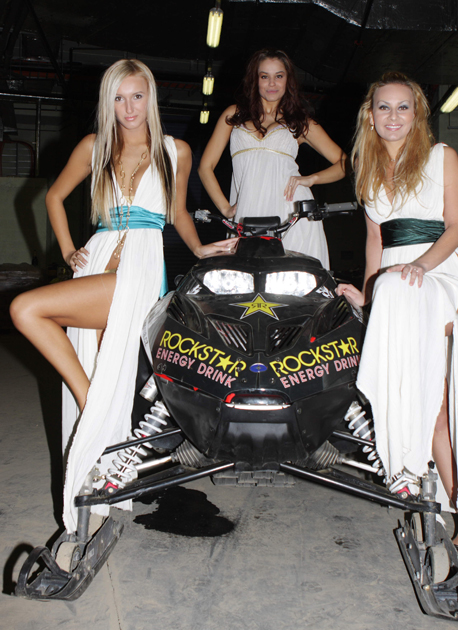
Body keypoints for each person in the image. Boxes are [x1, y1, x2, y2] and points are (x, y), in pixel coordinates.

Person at [10, 59, 232, 533]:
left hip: (141, 269)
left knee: (25, 308)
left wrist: (200, 249)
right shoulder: (94, 146)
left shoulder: (175, 150)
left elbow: (177, 212)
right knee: (77, 351)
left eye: (137, 96)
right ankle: (96, 440)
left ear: (150, 98)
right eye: (118, 98)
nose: (129, 108)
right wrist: (68, 250)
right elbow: (53, 197)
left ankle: (93, 409)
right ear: (107, 102)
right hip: (97, 257)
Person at [336, 72, 458, 521]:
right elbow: (375, 240)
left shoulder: (441, 157)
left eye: (403, 107)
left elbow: (456, 227)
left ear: (417, 113)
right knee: (420, 400)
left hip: (439, 273)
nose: (393, 116)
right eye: (384, 107)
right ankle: (426, 488)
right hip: (392, 289)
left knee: (442, 403)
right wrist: (369, 297)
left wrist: (421, 266)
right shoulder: (365, 168)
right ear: (370, 116)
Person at [198, 49, 347, 269]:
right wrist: (226, 209)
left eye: (279, 76)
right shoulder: (234, 115)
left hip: (291, 215)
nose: (272, 83)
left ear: (288, 80)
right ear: (255, 80)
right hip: (248, 215)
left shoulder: (300, 122)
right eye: (264, 76)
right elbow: (205, 167)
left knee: (295, 282)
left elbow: (345, 164)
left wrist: (311, 179)